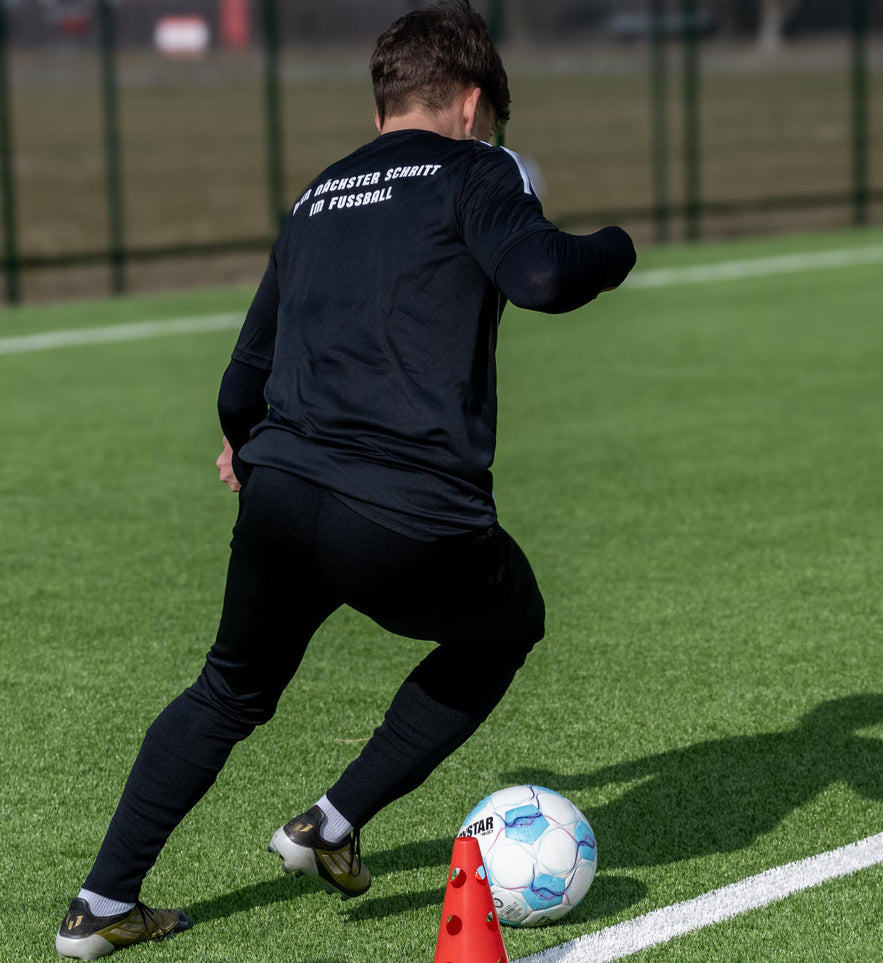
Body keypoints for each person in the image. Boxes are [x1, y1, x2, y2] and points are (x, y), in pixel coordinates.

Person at [56, 3, 636, 958]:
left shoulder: (319, 194)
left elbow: (240, 379)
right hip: (409, 511)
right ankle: (331, 818)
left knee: (226, 691)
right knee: (508, 623)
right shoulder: (476, 169)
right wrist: (612, 244)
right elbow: (541, 276)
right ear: (472, 103)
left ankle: (103, 900)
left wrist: (246, 449)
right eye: (489, 121)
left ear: (380, 109)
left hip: (283, 490)